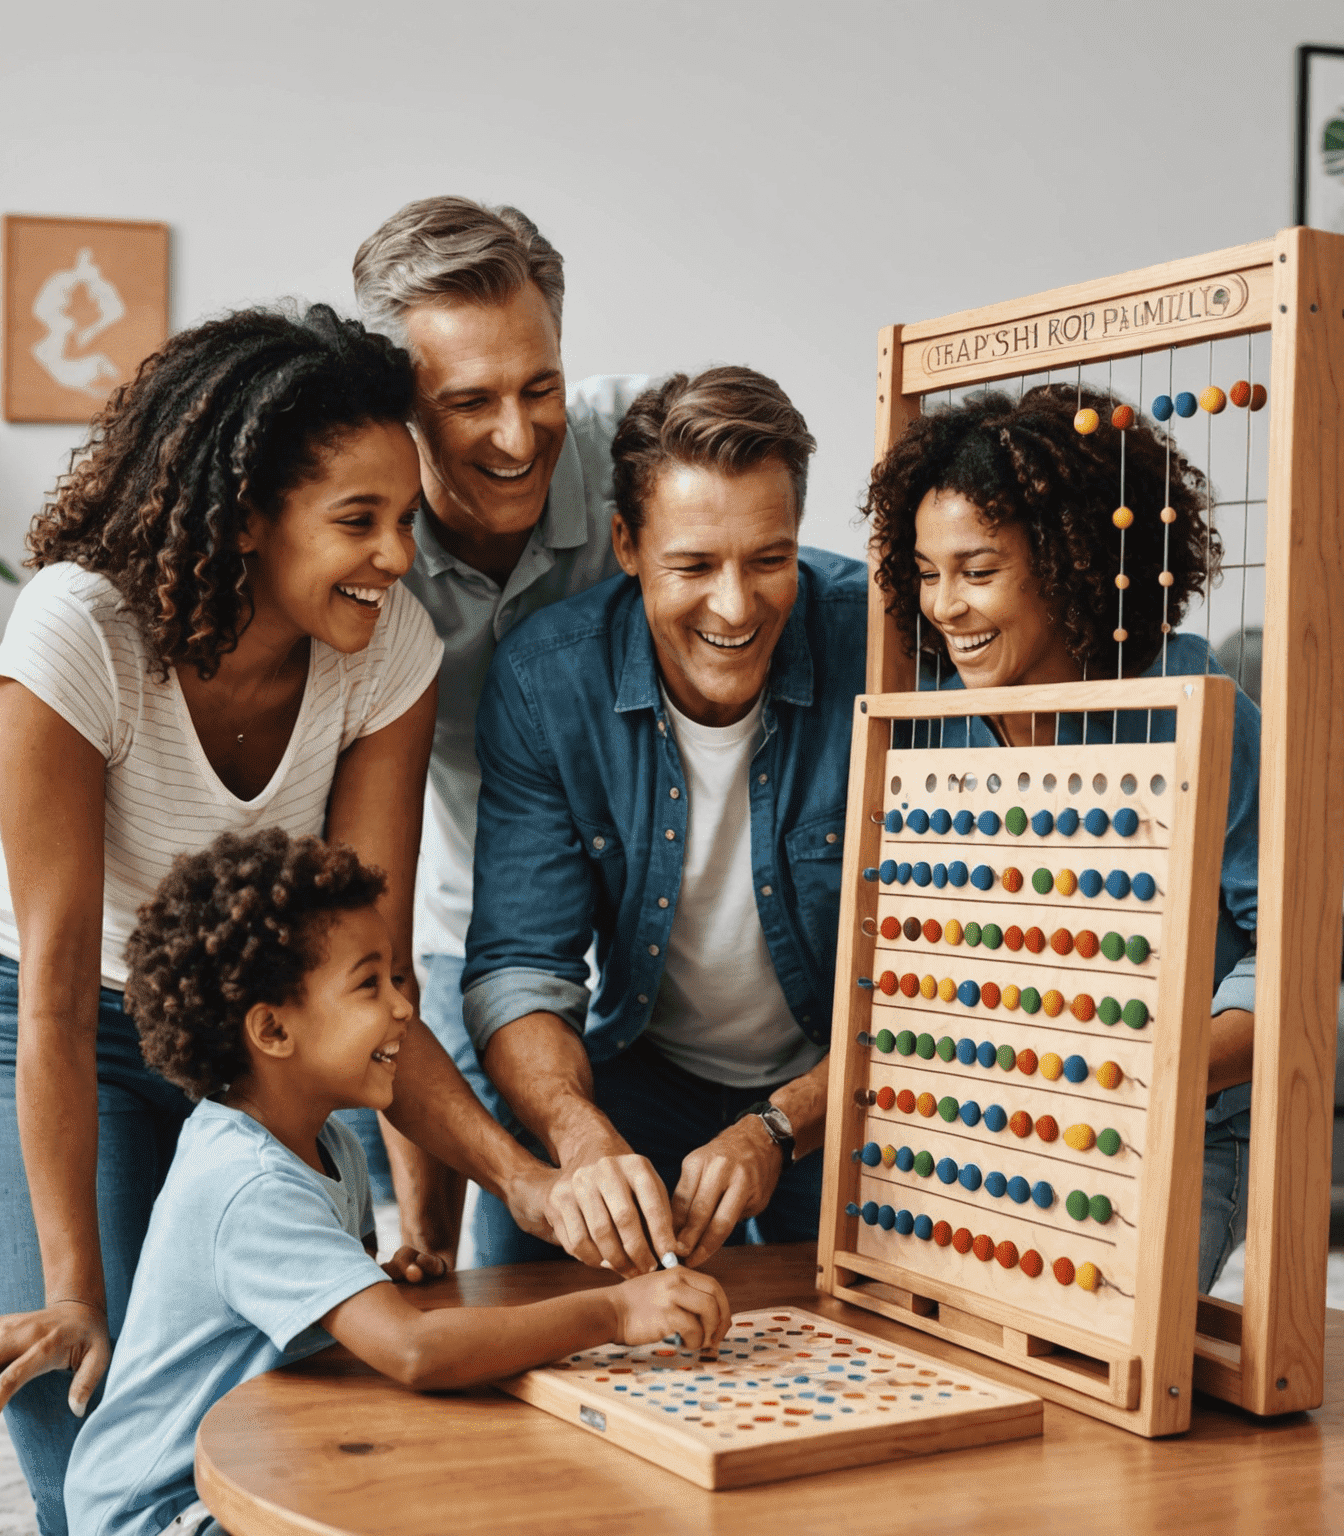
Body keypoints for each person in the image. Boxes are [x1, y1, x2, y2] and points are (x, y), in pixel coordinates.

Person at [0, 307, 558, 1535]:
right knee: (95, 1460)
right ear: (248, 515)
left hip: (263, 1035)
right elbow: (56, 986)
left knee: (284, 1435)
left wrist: (523, 1185)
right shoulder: (81, 633)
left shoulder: (388, 653)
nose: (395, 556)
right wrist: (73, 1293)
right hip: (50, 1022)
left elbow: (372, 984)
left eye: (404, 521)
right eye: (357, 522)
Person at [0, 830, 729, 1536]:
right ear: (273, 1029)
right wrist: (618, 1309)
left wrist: (358, 1287)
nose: (405, 1011)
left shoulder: (324, 1143)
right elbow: (413, 1351)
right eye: (370, 984)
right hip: (165, 1509)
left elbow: (290, 1315)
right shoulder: (246, 1181)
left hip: (252, 1461)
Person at [460, 366, 868, 1273]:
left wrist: (779, 1124)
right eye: (693, 565)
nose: (735, 605)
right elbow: (521, 969)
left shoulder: (881, 642)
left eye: (770, 560)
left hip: (846, 1082)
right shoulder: (545, 682)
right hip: (643, 1072)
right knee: (519, 1299)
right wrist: (580, 1136)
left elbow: (946, 986)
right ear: (626, 544)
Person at [863, 382, 1257, 1290]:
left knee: (1107, 1338)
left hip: (1166, 1122)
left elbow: (1280, 957)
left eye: (978, 569)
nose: (945, 607)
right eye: (926, 572)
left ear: (1072, 562)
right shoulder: (930, 724)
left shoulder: (1199, 714)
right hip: (983, 1120)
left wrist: (1161, 1071)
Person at [350, 196, 651, 1258]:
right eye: (470, 401)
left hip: (657, 931)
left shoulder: (645, 455)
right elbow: (380, 948)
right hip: (471, 920)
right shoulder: (354, 531)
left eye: (542, 387)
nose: (518, 437)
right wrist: (420, 1244)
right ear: (401, 407)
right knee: (468, 1265)